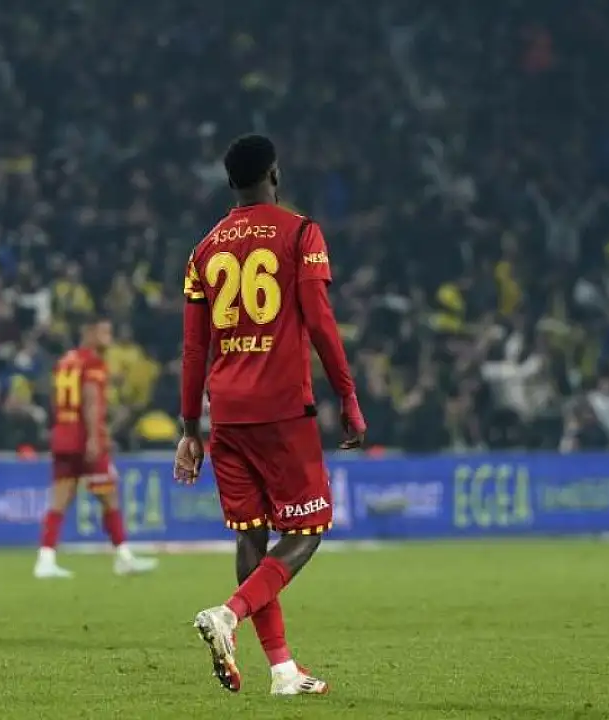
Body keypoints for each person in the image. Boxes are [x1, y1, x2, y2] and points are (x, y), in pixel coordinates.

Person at [175, 135, 366, 696]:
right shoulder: (301, 233)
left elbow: (194, 349)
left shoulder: (204, 249)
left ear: (231, 182)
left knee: (250, 535)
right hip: (282, 409)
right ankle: (228, 614)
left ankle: (282, 670)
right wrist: (348, 398)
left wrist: (189, 430)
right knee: (307, 531)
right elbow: (321, 322)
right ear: (274, 175)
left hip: (226, 414)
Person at [36, 317, 158, 578]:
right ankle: (123, 557)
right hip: (84, 439)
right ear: (89, 332)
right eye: (104, 332)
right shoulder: (93, 363)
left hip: (63, 435)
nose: (109, 337)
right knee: (109, 495)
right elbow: (91, 401)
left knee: (60, 498)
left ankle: (45, 559)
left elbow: (54, 399)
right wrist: (94, 437)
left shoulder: (65, 361)